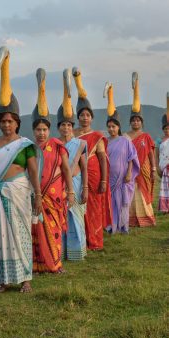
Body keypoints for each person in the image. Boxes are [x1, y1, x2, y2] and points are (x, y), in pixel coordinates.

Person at [0, 46, 42, 293]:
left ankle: (25, 279)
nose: (6, 124)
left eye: (10, 121)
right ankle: (3, 279)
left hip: (20, 192)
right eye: (3, 121)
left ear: (17, 122)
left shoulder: (25, 146)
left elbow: (33, 172)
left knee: (21, 234)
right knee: (1, 236)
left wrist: (38, 196)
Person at [32, 68, 74, 273]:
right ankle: (39, 264)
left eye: (44, 129)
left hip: (55, 196)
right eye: (38, 130)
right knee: (37, 229)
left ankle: (56, 264)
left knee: (54, 230)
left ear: (50, 130)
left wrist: (72, 191)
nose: (41, 133)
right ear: (33, 131)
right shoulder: (29, 149)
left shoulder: (57, 146)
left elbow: (66, 169)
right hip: (37, 197)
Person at [72, 68, 112, 250]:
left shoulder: (96, 135)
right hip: (76, 175)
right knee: (77, 205)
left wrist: (104, 179)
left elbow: (103, 158)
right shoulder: (72, 134)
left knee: (93, 207)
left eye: (88, 115)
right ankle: (80, 240)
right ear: (78, 117)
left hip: (95, 175)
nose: (85, 118)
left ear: (92, 118)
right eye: (81, 115)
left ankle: (94, 241)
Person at [57, 69, 88, 261]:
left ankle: (78, 253)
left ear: (72, 126)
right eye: (63, 125)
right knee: (62, 219)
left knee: (76, 218)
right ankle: (63, 251)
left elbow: (84, 167)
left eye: (69, 125)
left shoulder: (80, 143)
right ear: (58, 127)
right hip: (60, 185)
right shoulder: (55, 144)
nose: (66, 128)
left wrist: (85, 187)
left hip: (76, 184)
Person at [104, 82, 140, 233]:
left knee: (123, 202)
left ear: (118, 127)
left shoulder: (125, 140)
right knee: (111, 202)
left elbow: (131, 158)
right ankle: (112, 224)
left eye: (114, 126)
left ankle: (123, 225)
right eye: (109, 126)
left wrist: (128, 174)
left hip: (124, 178)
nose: (112, 129)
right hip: (110, 178)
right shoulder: (105, 142)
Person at [124, 72, 156, 227]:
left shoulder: (146, 136)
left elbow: (150, 153)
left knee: (143, 192)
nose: (136, 122)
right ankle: (130, 219)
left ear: (141, 122)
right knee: (130, 192)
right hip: (130, 170)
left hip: (143, 169)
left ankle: (146, 218)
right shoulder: (125, 136)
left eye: (138, 120)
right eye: (133, 120)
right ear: (130, 122)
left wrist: (154, 168)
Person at [155, 97, 169, 213]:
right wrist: (157, 167)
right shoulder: (159, 141)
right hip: (164, 169)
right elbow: (157, 154)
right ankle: (165, 208)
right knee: (165, 189)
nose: (167, 130)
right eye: (165, 128)